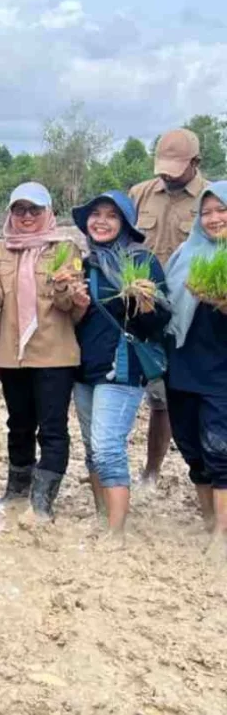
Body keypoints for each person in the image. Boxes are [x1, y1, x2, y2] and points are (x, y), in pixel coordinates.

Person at [0, 181, 83, 519]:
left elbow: (69, 306)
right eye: (20, 210)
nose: (27, 216)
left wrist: (66, 287)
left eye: (35, 209)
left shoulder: (66, 249)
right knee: (18, 424)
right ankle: (16, 491)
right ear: (11, 214)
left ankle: (43, 501)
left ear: (49, 212)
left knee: (52, 427)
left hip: (55, 353)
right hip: (12, 354)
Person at [70, 191, 170, 541]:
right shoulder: (84, 264)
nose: (101, 221)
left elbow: (158, 324)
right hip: (84, 368)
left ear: (125, 223)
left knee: (108, 447)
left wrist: (143, 304)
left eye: (111, 215)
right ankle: (101, 515)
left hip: (123, 368)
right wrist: (74, 303)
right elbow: (75, 322)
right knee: (91, 447)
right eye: (95, 214)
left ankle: (116, 532)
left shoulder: (142, 261)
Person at [129, 128, 208, 484]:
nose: (166, 174)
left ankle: (207, 471)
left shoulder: (211, 201)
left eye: (175, 167)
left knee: (198, 394)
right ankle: (152, 469)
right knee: (159, 398)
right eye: (162, 166)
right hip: (146, 312)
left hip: (195, 312)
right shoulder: (140, 194)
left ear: (196, 163)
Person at [164, 181, 227, 551]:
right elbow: (168, 308)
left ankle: (222, 533)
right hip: (182, 364)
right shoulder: (184, 255)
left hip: (221, 371)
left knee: (221, 448)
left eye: (222, 210)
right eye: (207, 211)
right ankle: (207, 520)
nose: (214, 218)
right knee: (190, 445)